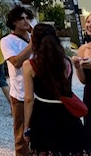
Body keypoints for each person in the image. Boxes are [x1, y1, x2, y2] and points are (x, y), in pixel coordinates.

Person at [23, 23, 89, 155]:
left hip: (43, 114)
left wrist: (26, 126)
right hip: (67, 113)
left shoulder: (30, 65)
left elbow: (29, 98)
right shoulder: (67, 61)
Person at [0, 6, 33, 156]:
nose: (26, 21)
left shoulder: (34, 37)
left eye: (28, 18)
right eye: (22, 18)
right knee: (21, 134)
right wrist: (33, 45)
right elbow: (16, 61)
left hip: (39, 92)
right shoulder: (7, 41)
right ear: (14, 22)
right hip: (20, 93)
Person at [73, 24, 91, 145]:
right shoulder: (83, 49)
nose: (89, 25)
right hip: (90, 93)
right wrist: (78, 67)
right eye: (88, 22)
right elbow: (83, 80)